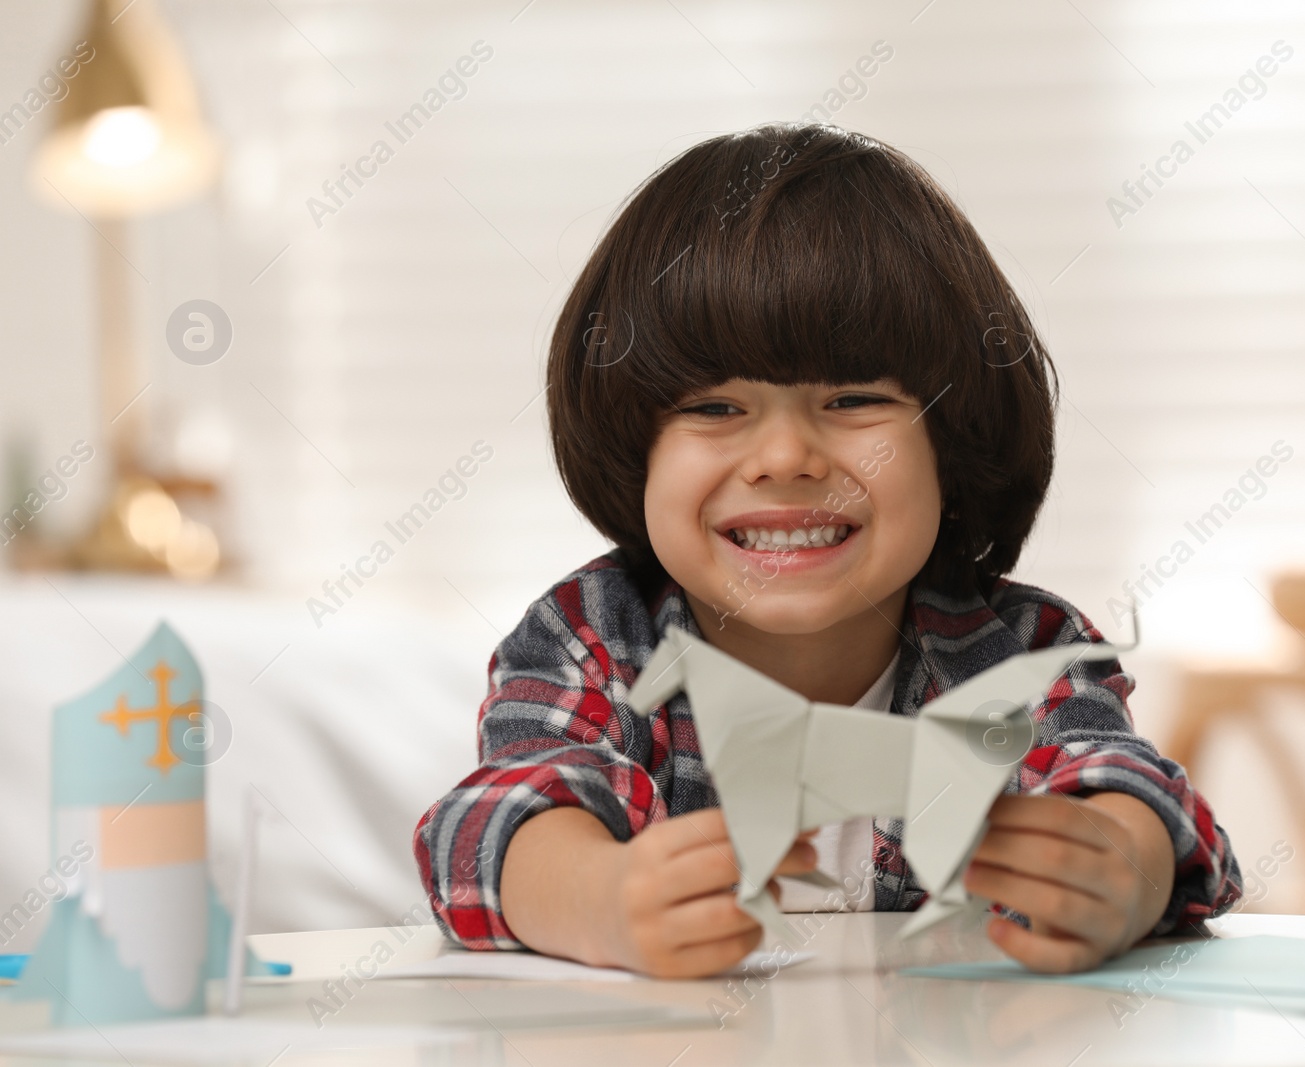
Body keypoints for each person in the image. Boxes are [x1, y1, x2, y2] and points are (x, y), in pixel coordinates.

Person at [414, 122, 1240, 978]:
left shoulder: (1021, 649)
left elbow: (1126, 789)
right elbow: (495, 817)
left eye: (851, 399)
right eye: (714, 408)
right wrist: (600, 895)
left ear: (949, 444)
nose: (785, 458)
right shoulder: (593, 636)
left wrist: (1122, 871)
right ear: (636, 448)